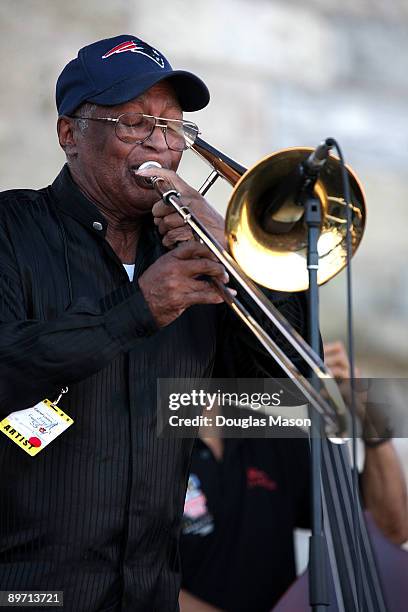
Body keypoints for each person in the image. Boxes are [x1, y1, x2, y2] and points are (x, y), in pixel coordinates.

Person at [0, 34, 311, 612]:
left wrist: (240, 262)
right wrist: (138, 310)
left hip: (149, 591)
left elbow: (282, 390)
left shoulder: (193, 254)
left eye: (174, 127)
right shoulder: (11, 228)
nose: (161, 145)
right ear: (70, 133)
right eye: (135, 123)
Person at [178, 342, 408, 612]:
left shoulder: (272, 429)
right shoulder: (140, 439)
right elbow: (132, 582)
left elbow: (390, 527)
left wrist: (369, 414)